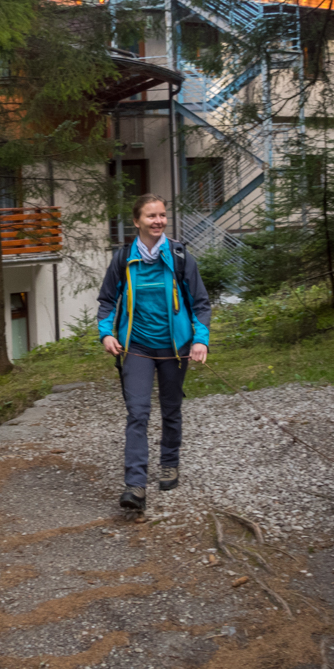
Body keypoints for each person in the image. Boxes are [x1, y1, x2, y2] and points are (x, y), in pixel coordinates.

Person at [97, 193, 211, 514]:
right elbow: (106, 301)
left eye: (162, 215)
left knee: (171, 410)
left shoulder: (180, 257)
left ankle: (169, 463)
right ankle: (135, 485)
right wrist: (107, 334)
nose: (158, 221)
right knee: (137, 413)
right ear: (137, 221)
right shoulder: (123, 260)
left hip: (176, 349)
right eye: (151, 216)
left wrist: (200, 340)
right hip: (137, 348)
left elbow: (200, 304)